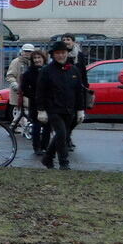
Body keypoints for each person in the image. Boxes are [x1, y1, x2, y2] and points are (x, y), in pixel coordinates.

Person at [36, 41, 85, 170]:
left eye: (63, 53)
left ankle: (47, 158)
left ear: (67, 54)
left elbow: (79, 92)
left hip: (69, 109)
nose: (61, 56)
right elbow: (40, 91)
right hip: (53, 108)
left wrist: (80, 110)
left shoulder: (74, 70)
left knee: (61, 135)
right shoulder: (47, 71)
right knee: (62, 134)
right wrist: (41, 110)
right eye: (57, 53)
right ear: (53, 55)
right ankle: (64, 162)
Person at [20, 49, 50, 156]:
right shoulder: (29, 72)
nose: (37, 60)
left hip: (48, 101)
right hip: (35, 102)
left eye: (39, 58)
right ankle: (36, 147)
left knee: (47, 126)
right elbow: (23, 87)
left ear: (43, 59)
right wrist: (33, 95)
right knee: (36, 126)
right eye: (35, 58)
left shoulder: (48, 70)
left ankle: (45, 146)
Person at [6, 44, 35, 120]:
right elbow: (10, 76)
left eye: (30, 51)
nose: (27, 53)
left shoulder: (34, 62)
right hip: (18, 92)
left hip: (29, 92)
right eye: (26, 51)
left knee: (28, 113)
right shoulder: (16, 62)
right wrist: (15, 85)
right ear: (21, 51)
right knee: (18, 113)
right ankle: (15, 129)